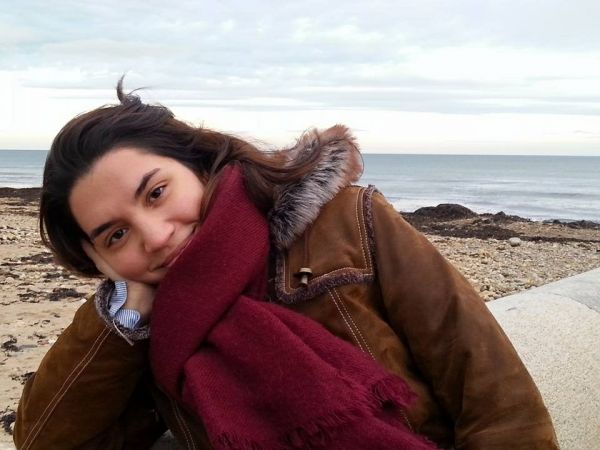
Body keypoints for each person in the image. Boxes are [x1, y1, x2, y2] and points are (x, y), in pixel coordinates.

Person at [14, 80, 558, 450]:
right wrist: (124, 315)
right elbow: (42, 439)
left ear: (198, 163)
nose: (156, 237)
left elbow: (490, 390)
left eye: (156, 193)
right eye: (116, 235)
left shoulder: (350, 221)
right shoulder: (147, 330)